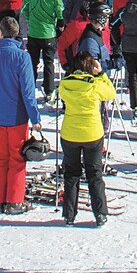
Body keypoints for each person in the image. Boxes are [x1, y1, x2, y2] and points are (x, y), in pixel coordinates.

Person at [0, 14, 41, 214]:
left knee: (0, 160)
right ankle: (14, 200)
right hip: (17, 118)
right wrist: (35, 118)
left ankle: (0, 200)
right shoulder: (22, 57)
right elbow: (28, 92)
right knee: (17, 160)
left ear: (0, 32)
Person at [55, 54, 116, 226]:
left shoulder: (65, 84)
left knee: (71, 173)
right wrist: (101, 74)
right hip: (92, 133)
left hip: (70, 133)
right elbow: (110, 93)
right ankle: (100, 214)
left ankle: (69, 214)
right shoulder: (95, 84)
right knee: (94, 173)